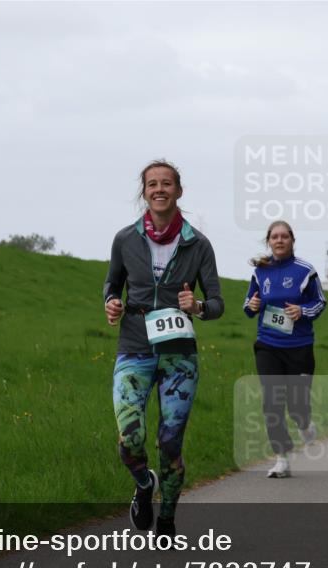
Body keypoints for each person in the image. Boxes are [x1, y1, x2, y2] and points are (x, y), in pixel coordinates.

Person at [104, 159, 224, 538]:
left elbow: (217, 303)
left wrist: (198, 307)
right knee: (130, 437)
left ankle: (168, 517)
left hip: (178, 355)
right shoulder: (125, 239)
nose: (159, 189)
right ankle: (143, 484)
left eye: (167, 183)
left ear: (179, 191)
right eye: (152, 184)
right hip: (135, 346)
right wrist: (111, 303)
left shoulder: (197, 244)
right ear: (144, 192)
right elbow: (112, 285)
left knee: (170, 440)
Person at [244, 221, 327, 478]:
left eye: (284, 236)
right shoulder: (261, 271)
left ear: (292, 240)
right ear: (268, 241)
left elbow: (320, 302)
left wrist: (302, 311)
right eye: (274, 237)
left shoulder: (305, 271)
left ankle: (304, 424)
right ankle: (282, 458)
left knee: (297, 407)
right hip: (268, 344)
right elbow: (248, 305)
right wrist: (253, 305)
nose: (279, 240)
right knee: (272, 403)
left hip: (299, 348)